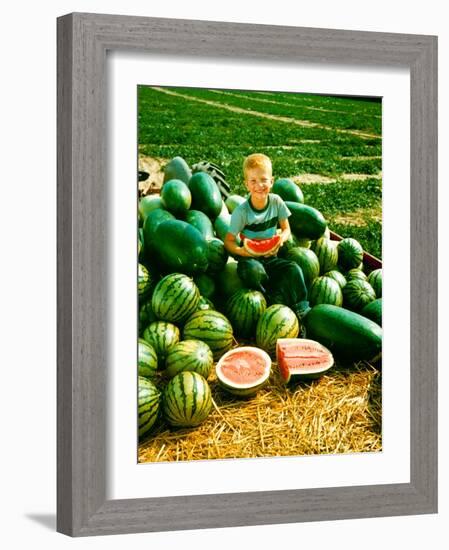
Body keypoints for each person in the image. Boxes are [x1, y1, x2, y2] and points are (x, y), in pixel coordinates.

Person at [223, 153, 310, 323]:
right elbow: (229, 241)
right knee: (253, 272)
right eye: (253, 181)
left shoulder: (277, 202)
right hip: (250, 260)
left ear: (271, 181)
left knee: (294, 269)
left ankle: (302, 310)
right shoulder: (241, 212)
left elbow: (286, 229)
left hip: (272, 258)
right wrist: (243, 251)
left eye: (264, 180)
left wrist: (280, 240)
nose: (259, 185)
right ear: (246, 184)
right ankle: (268, 302)